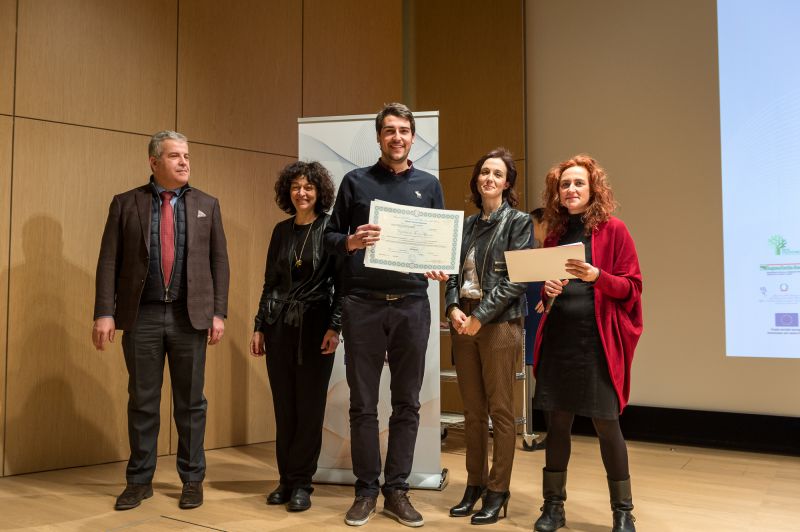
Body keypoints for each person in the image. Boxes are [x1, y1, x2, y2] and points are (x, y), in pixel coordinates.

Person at [92, 130, 230, 511]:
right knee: (143, 402)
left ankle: (192, 480)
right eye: (175, 156)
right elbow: (108, 260)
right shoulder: (125, 203)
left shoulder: (207, 205)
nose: (184, 162)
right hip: (143, 316)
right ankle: (139, 481)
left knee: (191, 404)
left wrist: (218, 312)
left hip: (190, 317)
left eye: (186, 156)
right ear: (154, 162)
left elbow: (219, 261)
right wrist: (104, 311)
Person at [324, 102, 444, 528]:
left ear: (413, 137)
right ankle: (365, 491)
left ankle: (397, 491)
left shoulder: (429, 185)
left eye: (404, 130)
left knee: (407, 402)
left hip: (412, 304)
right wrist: (351, 242)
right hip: (362, 305)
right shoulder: (355, 182)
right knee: (363, 404)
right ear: (378, 137)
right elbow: (330, 237)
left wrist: (438, 264)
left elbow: (438, 243)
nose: (397, 137)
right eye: (389, 130)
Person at [531, 154, 642, 532]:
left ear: (594, 188)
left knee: (607, 425)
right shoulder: (555, 235)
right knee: (557, 424)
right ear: (557, 193)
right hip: (559, 339)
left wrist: (597, 276)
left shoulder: (615, 230)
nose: (571, 189)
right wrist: (547, 291)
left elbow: (632, 288)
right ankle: (553, 508)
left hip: (597, 343)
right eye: (565, 184)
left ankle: (623, 511)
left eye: (579, 182)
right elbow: (548, 294)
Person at [439, 148, 531, 525]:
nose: (489, 178)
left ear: (507, 183)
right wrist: (452, 308)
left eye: (497, 174)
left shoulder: (519, 222)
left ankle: (498, 489)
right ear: (477, 179)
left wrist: (480, 316)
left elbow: (517, 280)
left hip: (499, 325)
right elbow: (451, 273)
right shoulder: (466, 225)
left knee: (500, 412)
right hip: (464, 323)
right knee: (472, 412)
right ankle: (474, 484)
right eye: (484, 173)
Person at [249, 161, 342, 512]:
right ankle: (285, 479)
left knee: (309, 408)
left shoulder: (331, 229)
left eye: (308, 187)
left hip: (316, 327)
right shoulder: (281, 231)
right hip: (278, 326)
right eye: (295, 187)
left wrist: (336, 326)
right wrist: (259, 325)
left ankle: (303, 482)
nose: (301, 193)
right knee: (284, 407)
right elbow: (270, 283)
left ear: (319, 192)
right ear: (287, 192)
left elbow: (343, 286)